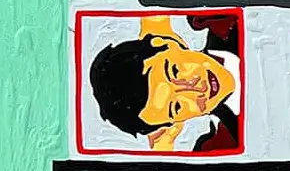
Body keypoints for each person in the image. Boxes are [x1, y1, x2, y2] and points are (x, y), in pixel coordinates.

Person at [86, 11, 241, 153]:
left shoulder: (221, 19)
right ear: (173, 124)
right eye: (177, 107)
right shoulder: (224, 145)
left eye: (175, 71)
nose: (196, 89)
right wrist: (163, 146)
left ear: (166, 43)